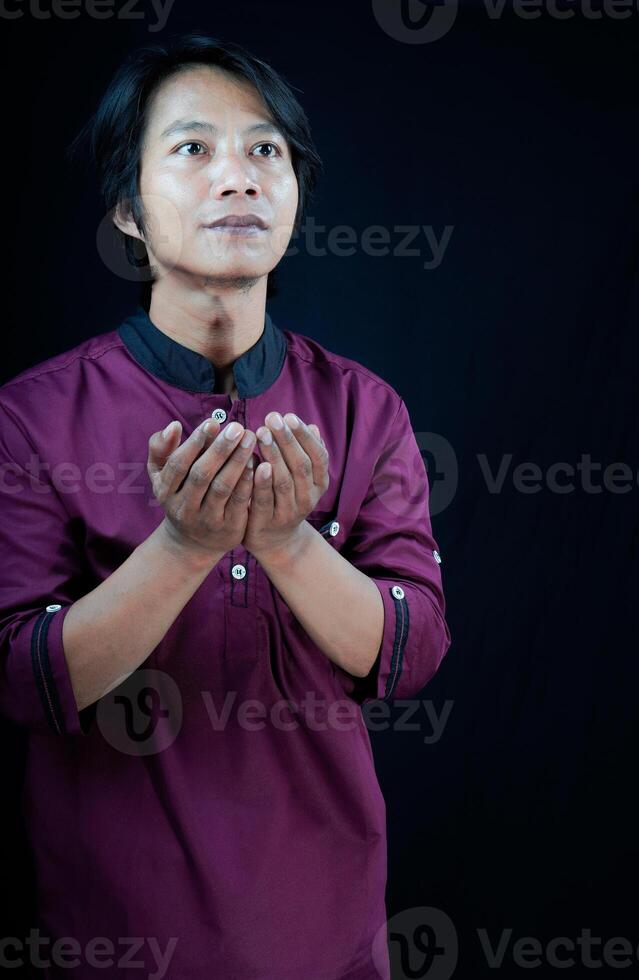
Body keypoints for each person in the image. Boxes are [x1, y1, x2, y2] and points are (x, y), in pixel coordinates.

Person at [0, 32, 452, 980]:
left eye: (265, 152)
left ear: (294, 197)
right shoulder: (35, 414)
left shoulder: (366, 409)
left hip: (330, 938)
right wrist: (181, 547)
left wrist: (287, 540)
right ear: (127, 207)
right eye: (193, 149)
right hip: (115, 941)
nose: (238, 179)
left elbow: (411, 647)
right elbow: (19, 677)